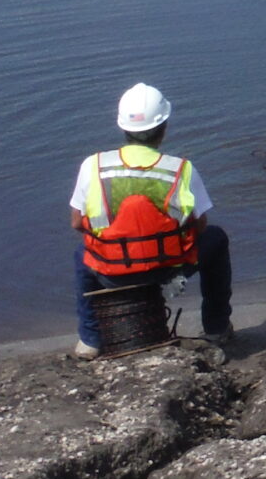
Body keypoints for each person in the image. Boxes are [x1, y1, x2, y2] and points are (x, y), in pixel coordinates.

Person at [70, 83, 232, 355]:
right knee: (216, 238)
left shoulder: (93, 166)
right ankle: (216, 328)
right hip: (167, 271)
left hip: (112, 273)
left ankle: (90, 340)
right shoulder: (180, 169)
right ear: (164, 126)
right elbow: (200, 224)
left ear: (123, 127)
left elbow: (77, 222)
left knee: (82, 254)